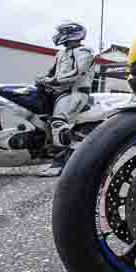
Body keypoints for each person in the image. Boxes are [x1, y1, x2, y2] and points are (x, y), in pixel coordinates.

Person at [36, 22, 95, 175]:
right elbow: (52, 73)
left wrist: (54, 81)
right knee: (45, 121)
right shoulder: (61, 53)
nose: (59, 35)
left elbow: (77, 73)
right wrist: (43, 79)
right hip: (60, 92)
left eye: (63, 32)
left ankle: (59, 165)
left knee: (58, 122)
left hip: (76, 92)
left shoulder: (84, 51)